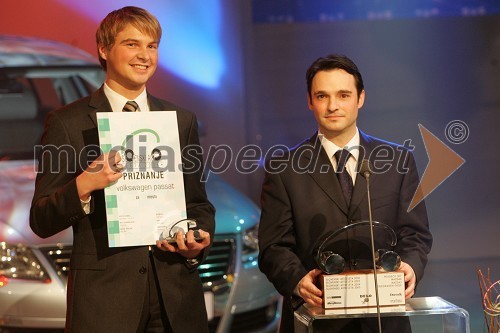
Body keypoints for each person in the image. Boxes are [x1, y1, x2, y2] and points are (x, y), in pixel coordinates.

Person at [30, 6, 215, 333]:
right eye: (132, 44)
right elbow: (42, 219)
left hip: (175, 295)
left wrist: (196, 237)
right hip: (105, 302)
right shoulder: (68, 123)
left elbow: (198, 204)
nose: (145, 55)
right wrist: (85, 184)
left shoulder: (180, 120)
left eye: (152, 46)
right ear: (104, 49)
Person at [258, 54, 432, 332]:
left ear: (360, 98)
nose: (333, 106)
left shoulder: (398, 161)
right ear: (310, 102)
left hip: (383, 317)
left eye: (343, 95)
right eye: (322, 96)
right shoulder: (284, 168)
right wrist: (296, 279)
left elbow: (416, 234)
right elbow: (273, 247)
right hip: (316, 314)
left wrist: (411, 265)